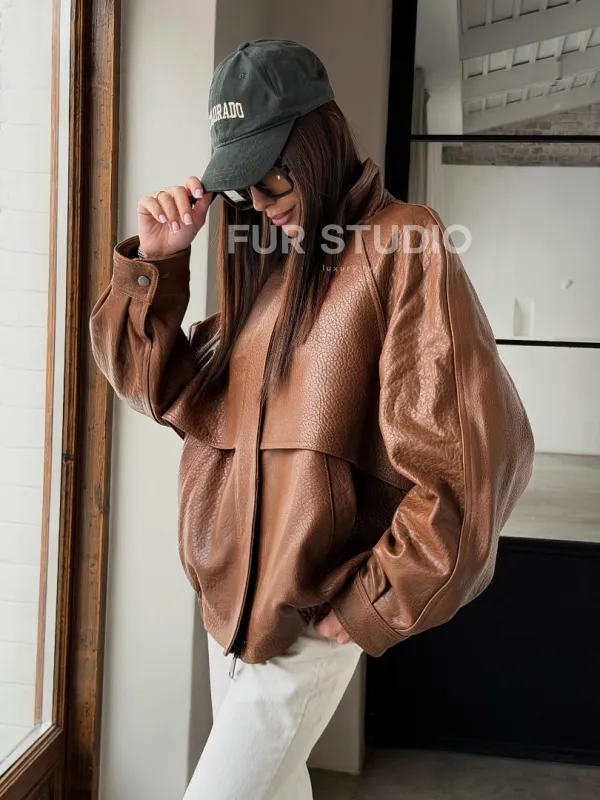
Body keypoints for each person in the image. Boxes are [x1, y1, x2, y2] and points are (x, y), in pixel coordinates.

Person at [89, 38, 535, 800]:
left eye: (270, 173)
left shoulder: (403, 243)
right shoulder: (272, 267)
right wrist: (155, 265)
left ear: (315, 139)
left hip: (307, 621)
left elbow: (468, 465)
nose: (260, 201)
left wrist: (366, 607)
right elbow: (163, 392)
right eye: (243, 186)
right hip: (228, 617)